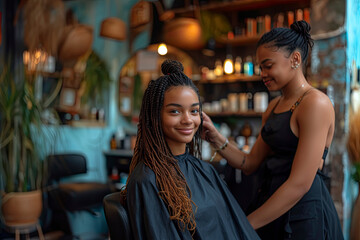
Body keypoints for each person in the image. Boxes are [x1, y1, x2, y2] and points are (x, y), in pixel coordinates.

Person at [202, 20, 344, 239]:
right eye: (261, 67)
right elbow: (248, 164)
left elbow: (299, 184)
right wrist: (214, 136)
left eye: (268, 65)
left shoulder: (315, 104)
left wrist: (245, 224)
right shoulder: (273, 107)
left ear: (295, 59)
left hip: (303, 214)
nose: (263, 74)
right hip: (271, 205)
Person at [121, 59, 260, 240]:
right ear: (154, 116)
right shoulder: (147, 180)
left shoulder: (204, 170)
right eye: (175, 111)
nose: (188, 120)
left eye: (194, 111)